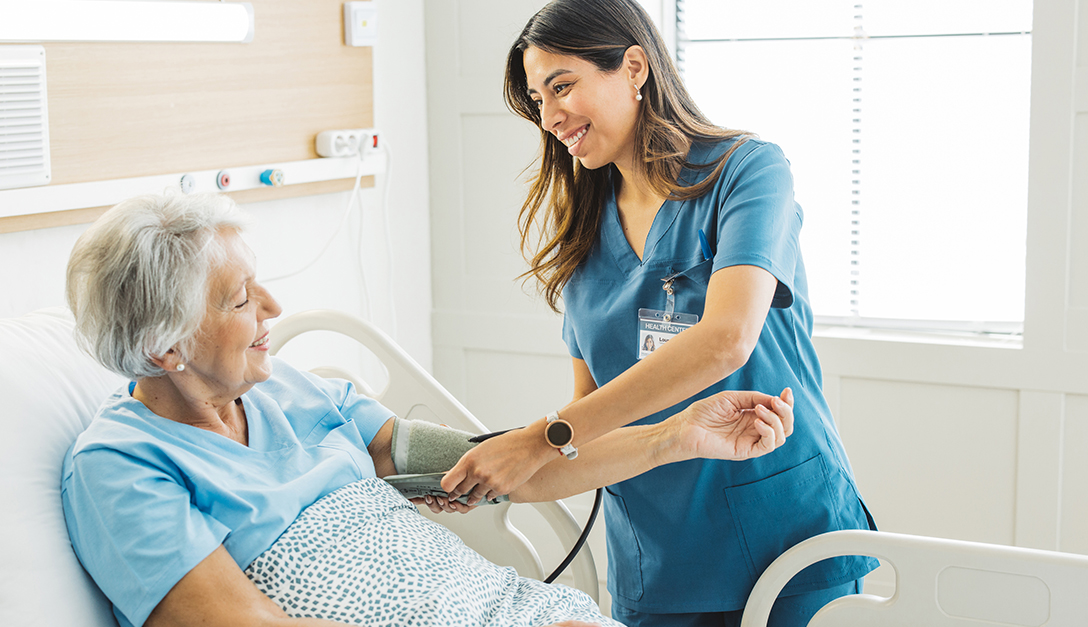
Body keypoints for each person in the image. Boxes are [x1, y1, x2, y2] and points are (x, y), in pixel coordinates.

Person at [60, 192, 795, 627]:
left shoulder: (295, 390)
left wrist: (678, 435)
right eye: (240, 298)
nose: (274, 309)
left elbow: (508, 468)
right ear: (166, 348)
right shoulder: (123, 470)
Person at [439, 1, 879, 625]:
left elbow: (726, 340)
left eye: (562, 86)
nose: (550, 115)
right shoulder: (582, 241)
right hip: (659, 561)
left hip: (787, 533)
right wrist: (504, 470)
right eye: (538, 100)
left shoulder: (746, 172)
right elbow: (589, 439)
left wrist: (542, 438)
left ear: (635, 66)